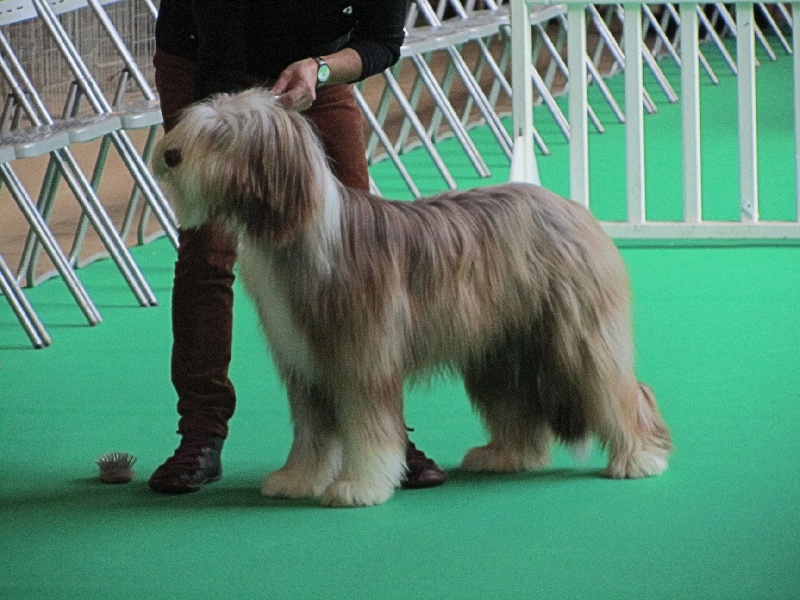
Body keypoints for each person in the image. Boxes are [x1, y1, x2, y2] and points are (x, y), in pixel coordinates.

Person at [148, 0, 447, 494]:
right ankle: (200, 433)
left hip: (312, 69)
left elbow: (382, 41)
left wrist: (321, 68)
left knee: (360, 247)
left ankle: (381, 431)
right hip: (207, 61)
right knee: (208, 252)